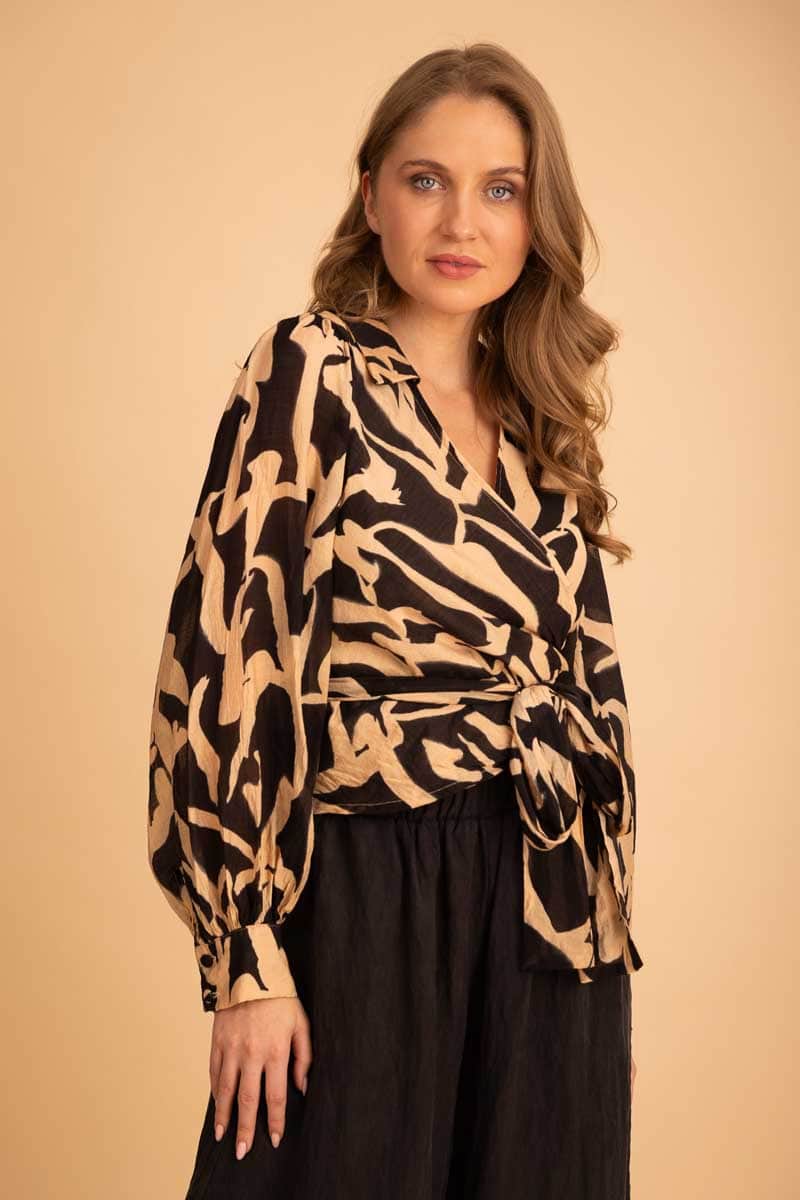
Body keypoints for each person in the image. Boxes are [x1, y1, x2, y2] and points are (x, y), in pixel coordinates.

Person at [147, 41, 643, 1200]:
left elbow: (593, 700)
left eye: (499, 189)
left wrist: (602, 940)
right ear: (371, 196)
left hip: (548, 908)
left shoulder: (540, 423)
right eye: (426, 179)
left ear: (534, 221)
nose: (460, 220)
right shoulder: (308, 369)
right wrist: (246, 958)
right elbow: (227, 647)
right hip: (369, 885)